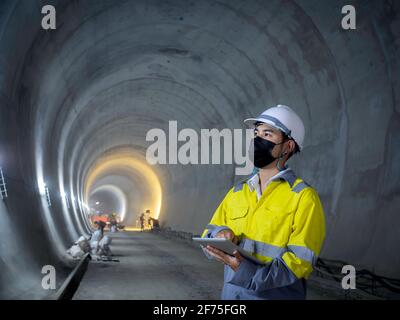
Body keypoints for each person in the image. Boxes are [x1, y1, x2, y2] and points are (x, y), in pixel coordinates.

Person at [202, 105, 326, 300]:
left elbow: (299, 262)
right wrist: (219, 234)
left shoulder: (303, 197)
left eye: (267, 134)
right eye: (256, 133)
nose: (258, 140)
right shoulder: (237, 192)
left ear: (288, 146)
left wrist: (245, 273)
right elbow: (209, 232)